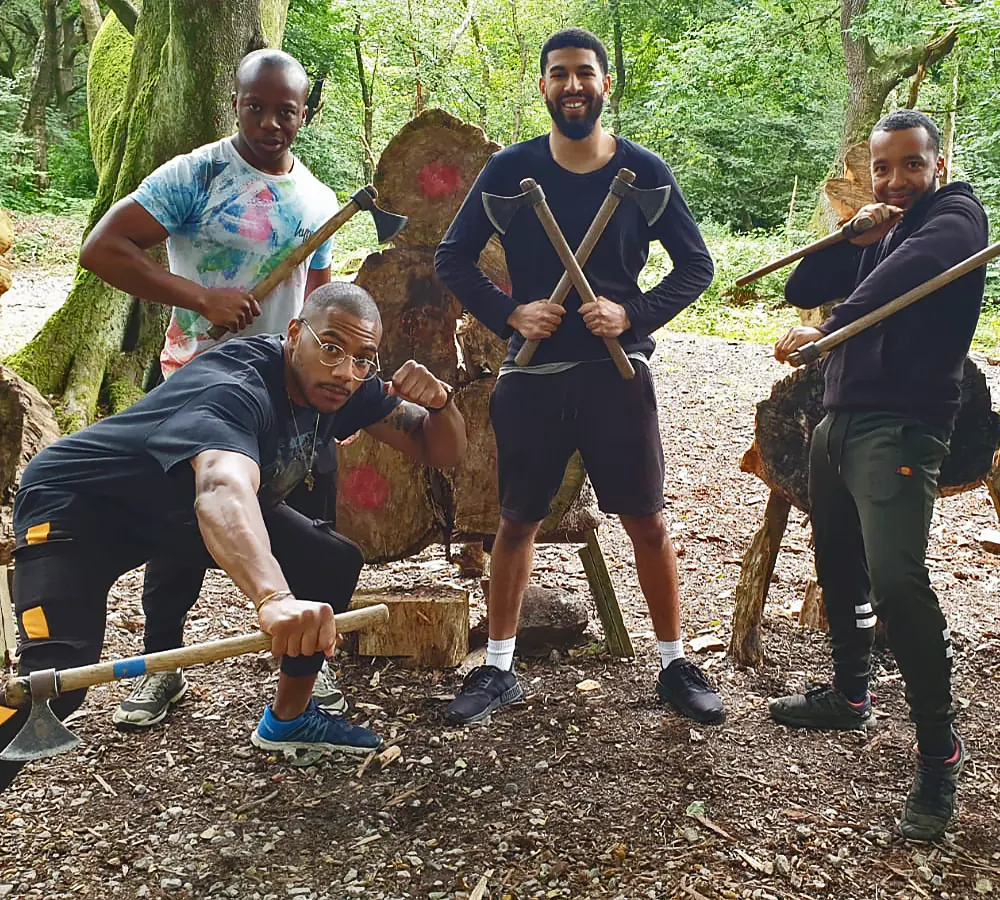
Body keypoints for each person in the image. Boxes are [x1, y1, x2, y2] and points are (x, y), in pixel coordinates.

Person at [0, 282, 467, 794]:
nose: (344, 370)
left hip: (173, 511)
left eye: (363, 358)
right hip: (79, 507)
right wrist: (273, 598)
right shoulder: (235, 385)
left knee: (329, 561)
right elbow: (221, 487)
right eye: (331, 347)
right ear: (295, 334)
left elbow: (439, 451)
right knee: (53, 683)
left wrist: (443, 403)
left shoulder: (343, 387)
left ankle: (289, 719)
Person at [434, 27, 724, 727]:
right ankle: (499, 668)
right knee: (515, 521)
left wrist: (634, 314)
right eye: (559, 74)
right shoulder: (509, 172)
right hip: (531, 380)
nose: (572, 85)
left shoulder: (643, 172)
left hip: (616, 377)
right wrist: (511, 314)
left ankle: (672, 662)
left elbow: (696, 265)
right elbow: (452, 259)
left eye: (584, 73)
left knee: (646, 521)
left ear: (604, 84)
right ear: (543, 86)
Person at [79, 49, 348, 730]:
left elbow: (317, 300)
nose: (269, 121)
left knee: (318, 532)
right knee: (180, 535)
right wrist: (200, 295)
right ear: (237, 103)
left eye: (285, 110)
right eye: (256, 106)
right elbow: (103, 248)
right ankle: (160, 668)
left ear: (304, 115)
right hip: (196, 387)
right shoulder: (196, 174)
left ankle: (307, 675)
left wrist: (332, 373)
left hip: (287, 397)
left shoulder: (317, 200)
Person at [769, 110, 988, 842]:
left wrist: (833, 329)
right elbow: (804, 287)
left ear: (938, 165)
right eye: (883, 168)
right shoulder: (884, 227)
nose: (895, 181)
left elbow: (915, 272)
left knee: (897, 579)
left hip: (902, 425)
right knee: (838, 561)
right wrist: (850, 237)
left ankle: (938, 752)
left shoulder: (956, 217)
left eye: (910, 166)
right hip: (838, 419)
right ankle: (851, 695)